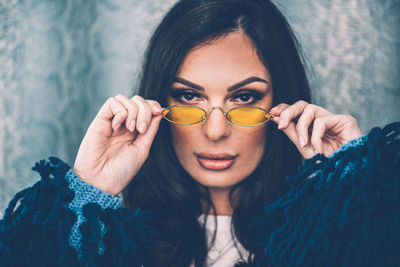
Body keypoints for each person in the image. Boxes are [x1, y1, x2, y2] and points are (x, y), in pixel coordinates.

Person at [0, 0, 399, 266]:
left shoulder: (322, 235)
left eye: (244, 97)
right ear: (158, 103)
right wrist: (90, 188)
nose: (215, 130)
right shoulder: (112, 240)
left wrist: (352, 187)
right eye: (190, 96)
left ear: (284, 103)